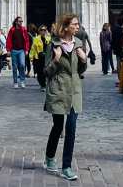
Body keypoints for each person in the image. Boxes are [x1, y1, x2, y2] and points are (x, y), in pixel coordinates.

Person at [43, 13, 88, 181]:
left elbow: (81, 71)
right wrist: (55, 59)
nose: (78, 27)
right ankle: (49, 157)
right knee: (57, 126)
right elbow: (46, 72)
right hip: (58, 89)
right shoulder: (54, 44)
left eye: (78, 24)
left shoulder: (79, 44)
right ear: (66, 26)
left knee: (71, 128)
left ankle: (67, 166)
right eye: (75, 24)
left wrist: (84, 61)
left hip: (74, 91)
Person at [6, 16, 32, 88]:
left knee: (22, 65)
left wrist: (26, 49)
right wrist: (8, 50)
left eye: (22, 21)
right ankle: (15, 82)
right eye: (20, 21)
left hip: (21, 50)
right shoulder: (12, 30)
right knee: (14, 67)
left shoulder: (23, 30)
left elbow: (26, 40)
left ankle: (22, 81)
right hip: (14, 50)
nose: (21, 23)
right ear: (16, 22)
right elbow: (9, 40)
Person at [31, 25, 52, 89]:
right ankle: (42, 84)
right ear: (39, 31)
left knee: (47, 71)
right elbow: (33, 48)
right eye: (41, 30)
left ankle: (46, 83)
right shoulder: (36, 39)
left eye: (44, 30)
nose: (43, 31)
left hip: (47, 57)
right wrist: (31, 57)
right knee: (39, 72)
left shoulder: (49, 38)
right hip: (39, 57)